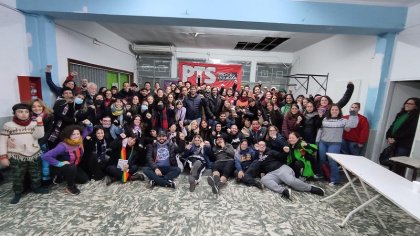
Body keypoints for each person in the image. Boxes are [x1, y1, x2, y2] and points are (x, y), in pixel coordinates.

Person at [0, 103, 49, 204]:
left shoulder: (33, 123)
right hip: (17, 155)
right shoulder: (8, 125)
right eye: (20, 112)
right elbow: (3, 141)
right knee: (18, 175)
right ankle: (18, 193)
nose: (24, 114)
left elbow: (40, 135)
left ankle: (36, 187)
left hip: (33, 153)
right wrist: (3, 157)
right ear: (14, 113)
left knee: (35, 173)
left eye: (26, 112)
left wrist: (39, 123)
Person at [256, 141, 324, 199]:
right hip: (272, 174)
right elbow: (258, 169)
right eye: (260, 145)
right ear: (257, 146)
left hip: (281, 169)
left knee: (290, 181)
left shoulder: (270, 152)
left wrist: (286, 152)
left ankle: (311, 188)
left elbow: (281, 156)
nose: (262, 146)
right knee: (264, 179)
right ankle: (284, 191)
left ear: (266, 146)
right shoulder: (256, 157)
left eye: (263, 145)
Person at [42, 121, 93, 195]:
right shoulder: (63, 146)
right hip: (61, 167)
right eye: (73, 134)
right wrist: (59, 163)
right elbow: (45, 156)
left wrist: (89, 124)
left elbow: (89, 130)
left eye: (78, 134)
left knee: (84, 179)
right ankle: (70, 186)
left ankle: (63, 176)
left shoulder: (80, 139)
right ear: (68, 135)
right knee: (71, 168)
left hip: (73, 166)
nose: (76, 136)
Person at [318, 104, 358, 186]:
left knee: (332, 161)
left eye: (336, 110)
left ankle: (335, 179)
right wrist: (317, 141)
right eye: (333, 109)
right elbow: (320, 130)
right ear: (330, 111)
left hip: (335, 143)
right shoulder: (325, 119)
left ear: (339, 111)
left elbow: (351, 126)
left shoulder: (343, 120)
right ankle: (324, 174)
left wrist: (353, 115)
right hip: (323, 142)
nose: (334, 111)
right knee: (322, 159)